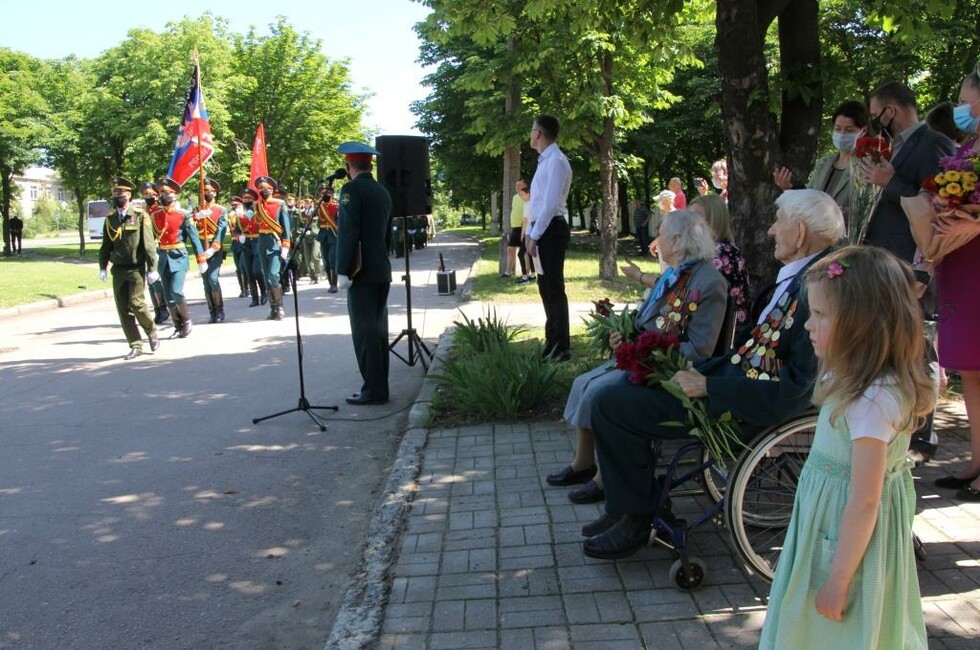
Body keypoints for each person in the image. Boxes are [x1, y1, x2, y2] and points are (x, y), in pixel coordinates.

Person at [581, 189, 844, 558]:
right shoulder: (803, 279)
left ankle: (637, 516)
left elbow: (796, 389)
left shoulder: (819, 289)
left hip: (740, 406)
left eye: (778, 221)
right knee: (627, 385)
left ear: (799, 232)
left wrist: (708, 385)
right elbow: (754, 350)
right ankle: (627, 506)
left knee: (613, 403)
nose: (771, 230)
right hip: (733, 383)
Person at [759, 245, 933, 649]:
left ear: (862, 324)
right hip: (831, 526)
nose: (807, 324)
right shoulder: (855, 379)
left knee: (839, 630)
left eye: (820, 314)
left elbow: (866, 500)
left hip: (844, 541)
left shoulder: (872, 400)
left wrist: (838, 579)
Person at [547, 209, 728, 505]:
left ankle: (604, 478)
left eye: (661, 233)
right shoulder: (674, 273)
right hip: (644, 358)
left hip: (668, 370)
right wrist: (622, 334)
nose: (656, 239)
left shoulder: (708, 281)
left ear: (677, 240)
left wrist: (646, 351)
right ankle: (583, 463)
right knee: (582, 383)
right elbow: (648, 320)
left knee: (598, 392)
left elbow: (700, 349)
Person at [863, 81, 955, 463]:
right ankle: (899, 427)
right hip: (888, 262)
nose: (875, 122)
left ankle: (922, 435)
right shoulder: (896, 147)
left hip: (912, 263)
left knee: (916, 347)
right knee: (896, 345)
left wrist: (891, 183)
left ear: (892, 110)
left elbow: (940, 203)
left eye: (876, 114)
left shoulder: (933, 143)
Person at [930, 66, 980, 502]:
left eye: (966, 100)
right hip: (961, 260)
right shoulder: (968, 145)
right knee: (971, 368)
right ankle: (976, 459)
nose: (961, 108)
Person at [335, 141, 393, 405]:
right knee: (378, 331)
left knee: (364, 332)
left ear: (349, 166)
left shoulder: (350, 190)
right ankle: (380, 386)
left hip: (361, 271)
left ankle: (373, 390)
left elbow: (348, 231)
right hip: (380, 268)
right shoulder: (382, 191)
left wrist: (343, 270)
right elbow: (386, 234)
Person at [525, 115, 573, 361]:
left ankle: (561, 347)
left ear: (539, 133)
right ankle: (552, 341)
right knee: (545, 288)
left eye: (532, 129)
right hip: (543, 229)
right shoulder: (545, 160)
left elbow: (550, 204)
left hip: (551, 230)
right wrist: (528, 232)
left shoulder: (556, 161)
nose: (530, 134)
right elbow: (536, 203)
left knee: (554, 289)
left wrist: (534, 235)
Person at [773, 100, 869, 222]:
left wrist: (839, 213)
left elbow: (867, 210)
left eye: (849, 130)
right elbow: (810, 198)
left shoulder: (867, 166)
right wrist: (789, 189)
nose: (842, 134)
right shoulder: (824, 163)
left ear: (863, 131)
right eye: (838, 129)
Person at [97, 177, 160, 360]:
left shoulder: (140, 216)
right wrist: (102, 266)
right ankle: (135, 344)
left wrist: (153, 268)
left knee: (137, 304)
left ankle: (151, 331)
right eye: (115, 193)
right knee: (123, 309)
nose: (118, 196)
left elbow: (148, 244)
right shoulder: (110, 219)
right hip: (118, 269)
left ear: (129, 195)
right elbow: (106, 245)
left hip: (135, 268)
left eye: (121, 193)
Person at [153, 177, 206, 338]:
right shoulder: (155, 215)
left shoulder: (184, 215)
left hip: (178, 256)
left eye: (168, 193)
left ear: (175, 195)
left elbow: (194, 238)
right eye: (162, 193)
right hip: (163, 257)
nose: (165, 195)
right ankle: (177, 326)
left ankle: (187, 320)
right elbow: (151, 238)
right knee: (168, 296)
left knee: (176, 291)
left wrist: (201, 259)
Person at [689, 194, 751, 326]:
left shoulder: (723, 253)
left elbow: (690, 290)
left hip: (724, 330)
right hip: (712, 324)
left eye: (697, 216)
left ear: (714, 219)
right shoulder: (712, 249)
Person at [253, 175, 291, 321]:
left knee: (273, 274)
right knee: (266, 276)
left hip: (275, 242)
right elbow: (256, 223)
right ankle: (273, 308)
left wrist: (286, 245)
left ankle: (280, 308)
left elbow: (285, 226)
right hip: (262, 241)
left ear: (272, 189)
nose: (264, 191)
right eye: (261, 189)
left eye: (267, 188)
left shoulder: (279, 204)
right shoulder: (257, 206)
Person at [193, 178, 228, 324]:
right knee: (206, 281)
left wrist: (213, 248)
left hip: (215, 248)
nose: (207, 193)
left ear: (215, 193)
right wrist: (195, 217)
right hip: (201, 247)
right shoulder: (196, 210)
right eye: (204, 191)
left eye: (209, 191)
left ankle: (219, 310)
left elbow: (221, 230)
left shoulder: (221, 210)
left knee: (213, 278)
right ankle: (212, 311)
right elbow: (190, 229)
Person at [140, 181, 169, 325]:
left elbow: (165, 229)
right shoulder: (142, 211)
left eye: (152, 194)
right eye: (146, 194)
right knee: (150, 282)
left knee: (157, 281)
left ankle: (163, 309)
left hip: (158, 247)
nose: (149, 197)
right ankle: (157, 309)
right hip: (145, 248)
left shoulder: (161, 210)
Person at [238, 189, 266, 308]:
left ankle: (264, 293)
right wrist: (239, 237)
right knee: (249, 273)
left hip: (257, 242)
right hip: (246, 245)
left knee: (257, 271)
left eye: (249, 199)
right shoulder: (240, 214)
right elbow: (237, 230)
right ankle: (254, 298)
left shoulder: (258, 211)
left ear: (254, 200)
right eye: (245, 199)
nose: (247, 201)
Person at [314, 184, 341, 293]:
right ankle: (330, 283)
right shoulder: (318, 206)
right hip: (323, 235)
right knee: (326, 260)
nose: (325, 194)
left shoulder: (337, 206)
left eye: (327, 193)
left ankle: (334, 283)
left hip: (334, 234)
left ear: (331, 194)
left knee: (333, 259)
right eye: (323, 193)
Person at [227, 194, 250, 299]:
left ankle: (247, 287)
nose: (235, 207)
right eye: (233, 205)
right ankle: (243, 289)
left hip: (245, 242)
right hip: (235, 243)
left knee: (243, 266)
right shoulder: (231, 216)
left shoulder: (246, 214)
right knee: (238, 268)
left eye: (237, 205)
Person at [506, 179, 529, 278]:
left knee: (525, 251)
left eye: (520, 185)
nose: (517, 187)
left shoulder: (528, 196)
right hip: (514, 227)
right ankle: (508, 272)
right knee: (510, 249)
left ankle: (528, 273)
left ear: (525, 186)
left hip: (524, 227)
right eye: (516, 185)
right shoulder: (515, 197)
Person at [514, 181, 535, 284]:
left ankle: (525, 276)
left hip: (529, 232)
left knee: (520, 254)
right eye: (520, 195)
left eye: (522, 194)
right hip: (532, 231)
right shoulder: (531, 203)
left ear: (528, 193)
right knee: (529, 253)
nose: (521, 196)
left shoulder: (528, 204)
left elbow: (525, 220)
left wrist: (522, 234)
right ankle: (533, 274)